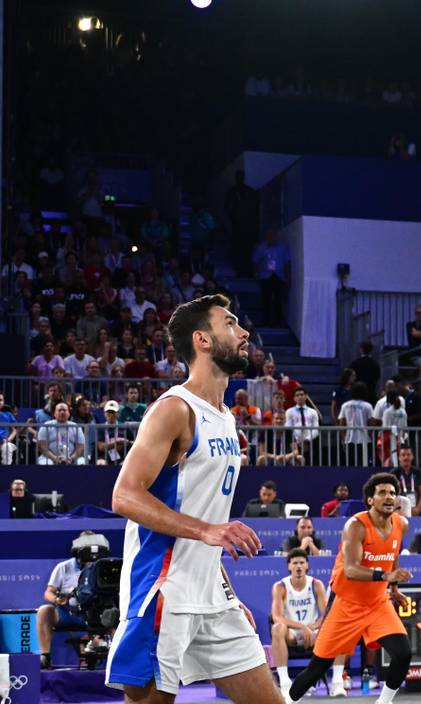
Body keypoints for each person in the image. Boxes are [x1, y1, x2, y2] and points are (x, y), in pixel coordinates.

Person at [104, 294, 278, 702]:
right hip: (165, 589)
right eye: (230, 323)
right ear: (202, 340)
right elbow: (124, 496)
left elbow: (207, 522)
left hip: (213, 597)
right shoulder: (174, 409)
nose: (243, 331)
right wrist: (208, 531)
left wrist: (225, 591)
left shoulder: (226, 417)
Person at [285, 474, 412, 704]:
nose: (389, 497)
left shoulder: (401, 524)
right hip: (346, 602)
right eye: (382, 493)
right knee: (317, 667)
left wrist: (393, 588)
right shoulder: (356, 526)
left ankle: (384, 702)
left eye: (392, 493)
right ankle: (287, 701)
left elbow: (392, 556)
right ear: (370, 500)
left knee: (403, 654)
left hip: (377, 603)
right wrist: (385, 576)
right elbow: (351, 570)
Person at [270, 550, 329, 696]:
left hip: (313, 632)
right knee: (277, 628)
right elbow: (276, 616)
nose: (298, 566)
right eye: (295, 563)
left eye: (302, 563)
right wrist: (302, 627)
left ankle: (337, 681)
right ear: (289, 566)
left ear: (307, 565)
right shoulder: (280, 586)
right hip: (292, 633)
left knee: (336, 627)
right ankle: (284, 681)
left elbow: (327, 615)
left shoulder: (316, 584)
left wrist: (313, 627)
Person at [37, 532, 97, 668]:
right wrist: (58, 600)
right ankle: (45, 657)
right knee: (44, 611)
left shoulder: (98, 567)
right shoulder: (63, 567)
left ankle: (114, 658)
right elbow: (49, 593)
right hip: (66, 612)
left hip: (90, 614)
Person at [252, 229, 292, 327]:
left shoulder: (282, 248)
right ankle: (265, 322)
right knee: (266, 300)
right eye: (269, 235)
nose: (272, 238)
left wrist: (288, 277)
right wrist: (256, 274)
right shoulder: (261, 248)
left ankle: (277, 323)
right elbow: (255, 261)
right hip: (265, 276)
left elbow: (287, 263)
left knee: (278, 300)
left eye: (273, 235)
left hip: (279, 276)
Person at [392, 446, 421, 516]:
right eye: (403, 455)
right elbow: (392, 494)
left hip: (416, 510)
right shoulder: (394, 473)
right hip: (400, 510)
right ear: (399, 458)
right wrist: (401, 509)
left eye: (408, 455)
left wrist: (417, 508)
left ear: (412, 457)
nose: (406, 457)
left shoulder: (417, 472)